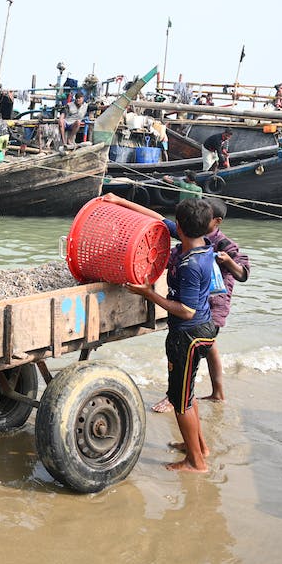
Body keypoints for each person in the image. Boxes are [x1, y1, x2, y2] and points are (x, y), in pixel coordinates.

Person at [111, 194, 217, 472]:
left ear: (181, 227)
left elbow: (186, 310)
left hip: (189, 334)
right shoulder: (200, 244)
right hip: (202, 330)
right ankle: (199, 446)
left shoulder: (190, 265)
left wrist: (148, 293)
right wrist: (119, 201)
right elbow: (156, 219)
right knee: (187, 393)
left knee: (180, 401)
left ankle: (196, 462)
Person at [152, 197, 250, 411]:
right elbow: (162, 220)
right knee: (209, 346)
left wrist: (228, 262)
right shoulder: (194, 234)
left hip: (213, 305)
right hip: (197, 305)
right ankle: (216, 392)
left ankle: (178, 397)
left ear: (216, 221)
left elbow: (243, 273)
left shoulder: (224, 244)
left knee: (192, 354)